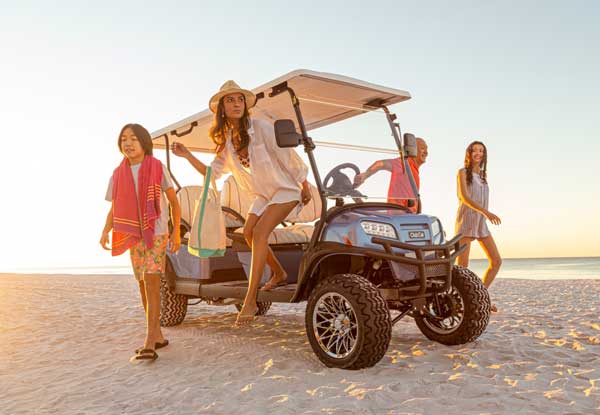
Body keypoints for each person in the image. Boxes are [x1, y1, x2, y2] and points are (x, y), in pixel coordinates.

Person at [171, 80, 311, 326]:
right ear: (222, 109)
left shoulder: (262, 127)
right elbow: (210, 174)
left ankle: (250, 299)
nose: (236, 104)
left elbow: (289, 156)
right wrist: (186, 155)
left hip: (286, 190)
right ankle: (279, 273)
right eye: (230, 100)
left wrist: (304, 184)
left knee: (258, 233)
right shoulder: (227, 141)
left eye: (239, 100)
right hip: (263, 195)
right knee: (246, 233)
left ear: (245, 105)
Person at [100, 123, 181, 361]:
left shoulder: (157, 167)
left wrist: (176, 232)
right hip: (130, 232)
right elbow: (115, 207)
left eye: (133, 138)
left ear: (144, 142)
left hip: (155, 230)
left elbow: (174, 203)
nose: (128, 143)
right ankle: (157, 335)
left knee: (152, 280)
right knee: (142, 283)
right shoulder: (118, 174)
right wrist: (106, 230)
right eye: (124, 138)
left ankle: (149, 342)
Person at [455, 141, 502, 312]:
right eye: (474, 150)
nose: (478, 153)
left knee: (496, 261)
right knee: (462, 268)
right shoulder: (462, 172)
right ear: (469, 153)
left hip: (481, 224)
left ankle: (479, 296)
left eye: (481, 151)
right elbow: (464, 198)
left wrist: (484, 215)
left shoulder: (483, 176)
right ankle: (461, 303)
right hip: (467, 221)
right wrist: (487, 212)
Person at [353, 137, 428, 212]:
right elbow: (380, 164)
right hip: (398, 215)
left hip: (409, 217)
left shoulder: (413, 170)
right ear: (413, 150)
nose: (426, 152)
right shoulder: (404, 164)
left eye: (426, 149)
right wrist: (365, 175)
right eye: (422, 148)